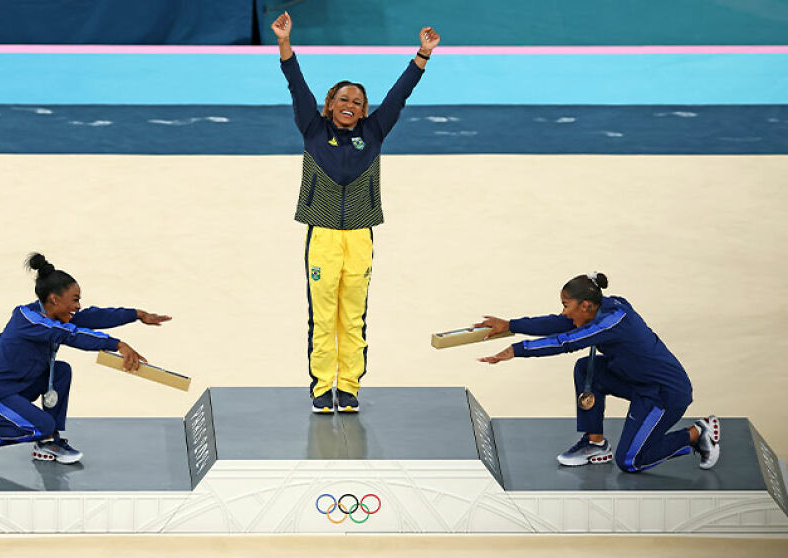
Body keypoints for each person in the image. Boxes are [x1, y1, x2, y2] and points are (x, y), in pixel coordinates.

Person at [271, 11, 440, 414]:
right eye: (343, 99)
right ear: (329, 104)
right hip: (323, 237)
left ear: (364, 112)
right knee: (323, 315)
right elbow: (296, 86)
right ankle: (319, 387)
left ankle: (347, 388)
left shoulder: (374, 132)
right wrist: (284, 43)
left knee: (353, 317)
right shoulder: (312, 128)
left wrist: (422, 55)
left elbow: (399, 95)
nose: (350, 105)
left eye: (357, 102)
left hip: (361, 235)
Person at [475, 272, 721, 472]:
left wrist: (517, 350)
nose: (563, 311)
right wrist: (511, 325)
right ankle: (595, 444)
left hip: (664, 394)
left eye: (565, 305)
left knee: (630, 461)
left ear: (585, 305)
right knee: (586, 368)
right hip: (635, 380)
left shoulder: (613, 321)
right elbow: (558, 323)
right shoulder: (595, 309)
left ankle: (698, 433)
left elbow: (565, 342)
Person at [0, 253, 171, 464]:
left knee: (61, 371)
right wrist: (118, 345)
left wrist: (138, 315)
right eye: (75, 300)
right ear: (54, 299)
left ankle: (48, 442)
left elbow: (93, 316)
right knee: (42, 426)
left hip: (13, 386)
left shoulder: (57, 313)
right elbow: (69, 334)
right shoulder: (27, 319)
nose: (78, 306)